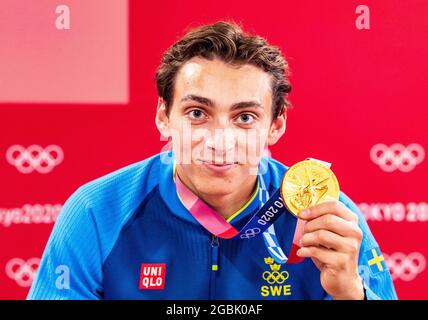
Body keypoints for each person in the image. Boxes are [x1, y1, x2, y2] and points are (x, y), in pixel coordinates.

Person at [28, 21, 397, 300]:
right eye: (197, 113)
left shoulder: (323, 214)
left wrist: (353, 294)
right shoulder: (97, 211)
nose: (220, 141)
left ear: (276, 126)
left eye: (245, 118)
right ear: (163, 116)